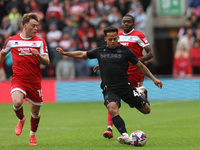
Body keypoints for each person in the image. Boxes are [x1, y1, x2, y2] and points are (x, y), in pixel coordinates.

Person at [56, 26, 163, 145]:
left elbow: (141, 66)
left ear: (118, 38)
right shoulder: (100, 51)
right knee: (112, 108)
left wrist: (153, 79)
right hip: (110, 89)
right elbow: (82, 54)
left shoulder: (126, 51)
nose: (113, 41)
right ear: (105, 39)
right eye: (110, 39)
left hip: (126, 87)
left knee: (147, 110)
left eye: (115, 38)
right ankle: (125, 136)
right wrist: (65, 53)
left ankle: (141, 92)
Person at [94, 14, 153, 139]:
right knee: (113, 99)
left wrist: (135, 61)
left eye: (128, 22)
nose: (125, 24)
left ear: (133, 24)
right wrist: (102, 64)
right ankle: (110, 128)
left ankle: (141, 94)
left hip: (136, 72)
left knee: (141, 107)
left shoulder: (139, 35)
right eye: (124, 22)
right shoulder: (117, 35)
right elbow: (112, 53)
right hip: (122, 72)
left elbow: (150, 53)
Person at [0, 13, 50, 145]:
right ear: (25, 25)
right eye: (33, 26)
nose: (36, 28)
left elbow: (47, 62)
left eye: (37, 26)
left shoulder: (40, 41)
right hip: (19, 79)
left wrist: (38, 55)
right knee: (17, 103)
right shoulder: (11, 40)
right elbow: (2, 53)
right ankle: (21, 119)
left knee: (35, 111)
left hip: (34, 81)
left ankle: (32, 135)